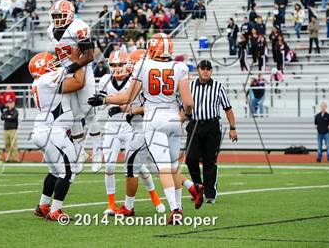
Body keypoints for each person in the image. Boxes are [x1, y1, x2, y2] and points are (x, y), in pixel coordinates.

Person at [88, 33, 196, 224]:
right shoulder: (180, 67)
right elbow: (188, 103)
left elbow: (127, 97)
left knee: (162, 169)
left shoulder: (143, 66)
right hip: (173, 119)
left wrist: (105, 99)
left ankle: (176, 210)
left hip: (153, 120)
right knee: (172, 167)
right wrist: (184, 117)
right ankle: (182, 199)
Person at [95, 50, 164, 216]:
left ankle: (155, 197)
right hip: (112, 127)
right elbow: (102, 104)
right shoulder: (105, 80)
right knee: (109, 166)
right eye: (113, 65)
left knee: (136, 167)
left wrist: (115, 102)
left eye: (120, 65)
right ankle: (111, 204)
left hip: (130, 127)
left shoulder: (135, 80)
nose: (117, 68)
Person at [29, 50, 87, 221]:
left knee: (54, 171)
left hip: (46, 130)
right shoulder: (47, 80)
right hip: (52, 131)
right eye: (52, 63)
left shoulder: (42, 82)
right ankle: (55, 211)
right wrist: (77, 59)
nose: (56, 65)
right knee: (69, 170)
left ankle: (43, 206)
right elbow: (79, 82)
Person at [47, 0, 102, 172]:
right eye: (55, 16)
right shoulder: (51, 30)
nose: (57, 19)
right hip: (66, 73)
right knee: (72, 115)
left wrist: (69, 67)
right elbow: (60, 54)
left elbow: (89, 56)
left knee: (90, 112)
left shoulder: (79, 27)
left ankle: (98, 151)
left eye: (60, 16)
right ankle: (80, 153)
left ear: (70, 14)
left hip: (83, 71)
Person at [185, 60, 238, 205]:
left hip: (212, 126)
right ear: (198, 70)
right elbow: (184, 108)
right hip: (195, 124)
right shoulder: (189, 86)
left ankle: (210, 194)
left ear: (211, 71)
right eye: (203, 68)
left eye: (208, 69)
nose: (206, 71)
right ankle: (197, 188)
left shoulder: (218, 87)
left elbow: (227, 108)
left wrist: (232, 128)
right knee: (190, 159)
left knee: (209, 161)